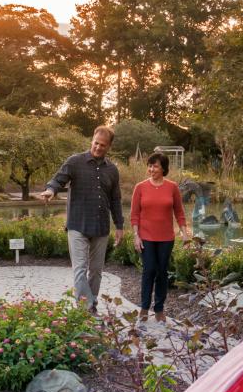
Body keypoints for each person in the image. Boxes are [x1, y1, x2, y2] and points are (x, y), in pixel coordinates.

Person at [38, 126, 124, 314]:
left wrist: (119, 225)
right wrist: (50, 190)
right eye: (96, 143)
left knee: (96, 271)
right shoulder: (75, 162)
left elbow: (116, 200)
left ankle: (90, 304)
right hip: (77, 224)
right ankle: (86, 309)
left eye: (103, 145)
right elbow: (58, 180)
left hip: (101, 227)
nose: (98, 147)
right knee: (79, 269)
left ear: (109, 146)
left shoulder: (112, 170)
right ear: (91, 140)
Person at [130, 152, 189, 322]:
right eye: (149, 165)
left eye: (155, 166)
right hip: (146, 237)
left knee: (162, 273)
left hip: (166, 238)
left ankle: (159, 309)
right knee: (149, 271)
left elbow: (179, 212)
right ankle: (144, 308)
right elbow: (134, 214)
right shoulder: (140, 187)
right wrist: (136, 235)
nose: (151, 169)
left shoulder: (172, 187)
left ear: (163, 168)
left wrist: (184, 234)